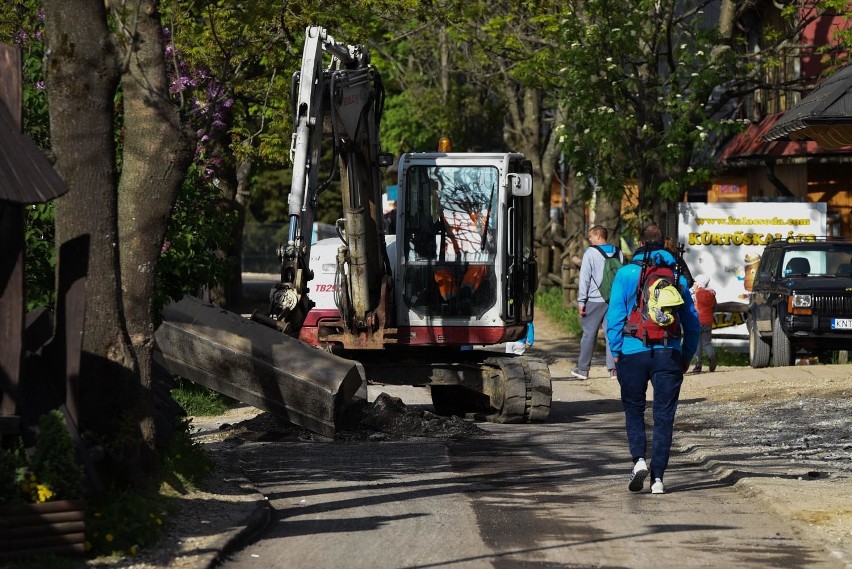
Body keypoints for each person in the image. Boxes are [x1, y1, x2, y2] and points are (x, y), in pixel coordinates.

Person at [605, 224, 700, 495]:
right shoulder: (677, 277)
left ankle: (638, 462)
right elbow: (692, 323)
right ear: (664, 245)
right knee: (664, 416)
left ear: (639, 242)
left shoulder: (624, 274)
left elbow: (614, 318)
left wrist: (617, 352)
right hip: (668, 353)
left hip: (633, 353)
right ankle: (658, 478)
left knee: (634, 410)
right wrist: (685, 356)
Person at [571, 225, 622, 380]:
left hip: (594, 299)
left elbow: (584, 278)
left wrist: (581, 301)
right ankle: (614, 370)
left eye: (591, 236)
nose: (590, 239)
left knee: (589, 334)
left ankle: (583, 370)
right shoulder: (618, 252)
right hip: (613, 299)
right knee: (611, 333)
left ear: (598, 236)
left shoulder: (590, 253)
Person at [690, 274, 717, 373]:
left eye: (695, 282)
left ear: (699, 284)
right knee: (707, 343)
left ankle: (698, 364)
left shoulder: (695, 294)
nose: (694, 284)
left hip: (697, 321)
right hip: (708, 321)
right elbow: (714, 307)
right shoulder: (711, 294)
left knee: (698, 343)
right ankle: (712, 356)